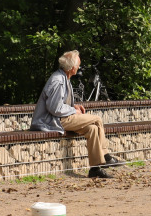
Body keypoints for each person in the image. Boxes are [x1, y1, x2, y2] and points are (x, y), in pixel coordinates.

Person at [30, 50, 124, 179]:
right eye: (78, 65)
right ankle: (106, 156)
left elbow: (58, 103)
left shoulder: (64, 77)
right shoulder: (58, 81)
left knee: (93, 129)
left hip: (60, 117)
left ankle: (95, 169)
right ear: (72, 68)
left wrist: (73, 106)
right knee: (97, 119)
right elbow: (54, 108)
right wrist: (74, 111)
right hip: (53, 121)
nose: (79, 68)